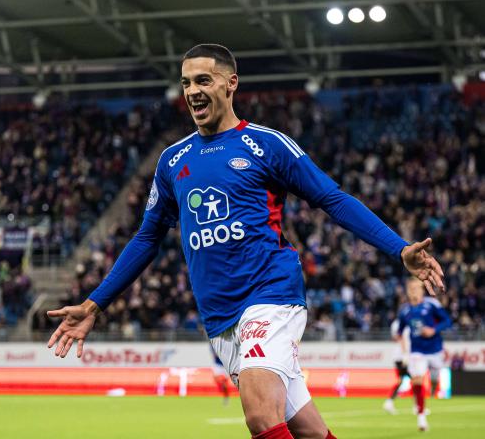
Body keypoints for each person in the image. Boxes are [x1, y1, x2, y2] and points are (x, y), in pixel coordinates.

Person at [47, 44, 445, 439]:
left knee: (260, 416)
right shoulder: (172, 160)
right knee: (306, 429)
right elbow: (147, 237)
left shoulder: (266, 144)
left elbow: (331, 198)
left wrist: (398, 247)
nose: (192, 91)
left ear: (230, 84)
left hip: (270, 293)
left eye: (204, 80)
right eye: (186, 83)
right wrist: (95, 302)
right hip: (220, 317)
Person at [397, 278, 451, 432]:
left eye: (416, 288)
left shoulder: (432, 304)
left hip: (435, 350)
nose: (413, 291)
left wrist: (434, 329)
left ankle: (433, 388)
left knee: (434, 379)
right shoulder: (405, 311)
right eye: (410, 289)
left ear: (422, 289)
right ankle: (421, 417)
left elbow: (447, 320)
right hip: (417, 351)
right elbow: (400, 331)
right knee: (418, 380)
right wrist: (403, 349)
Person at [383, 318, 410, 414]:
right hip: (402, 357)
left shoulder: (396, 323)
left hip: (399, 356)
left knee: (402, 380)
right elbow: (400, 338)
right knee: (413, 380)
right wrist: (405, 354)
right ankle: (418, 407)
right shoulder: (403, 323)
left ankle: (389, 402)